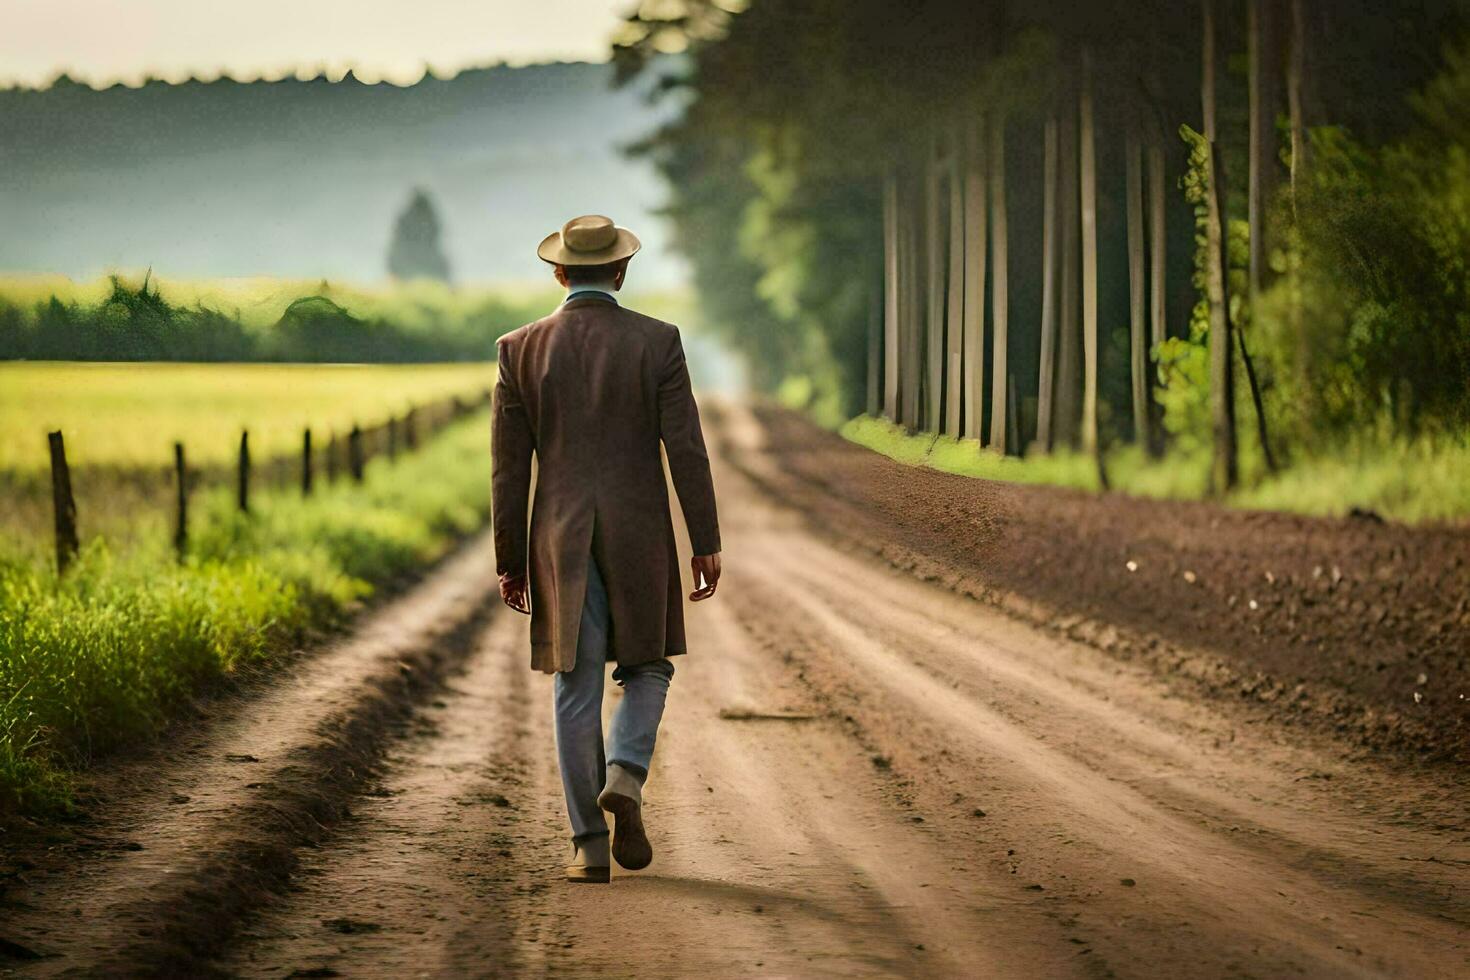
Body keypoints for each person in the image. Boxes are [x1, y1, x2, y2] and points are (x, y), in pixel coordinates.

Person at [491, 214, 722, 884]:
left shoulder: (519, 350)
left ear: (559, 272)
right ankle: (624, 770)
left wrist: (510, 560)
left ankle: (588, 846)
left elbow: (510, 472)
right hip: (640, 532)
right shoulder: (659, 341)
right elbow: (687, 449)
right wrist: (704, 540)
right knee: (648, 666)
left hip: (559, 538)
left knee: (573, 683)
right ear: (621, 271)